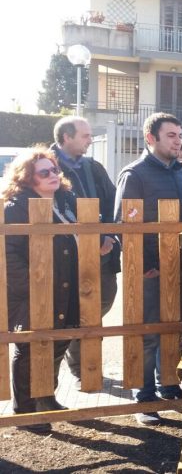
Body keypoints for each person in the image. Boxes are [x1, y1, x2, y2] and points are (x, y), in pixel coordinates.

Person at [115, 112, 182, 426]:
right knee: (147, 334)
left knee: (173, 329)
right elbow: (125, 223)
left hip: (181, 267)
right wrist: (147, 265)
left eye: (179, 135)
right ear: (150, 138)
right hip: (150, 272)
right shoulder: (136, 174)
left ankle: (168, 386)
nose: (178, 141)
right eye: (171, 135)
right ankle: (144, 398)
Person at [2, 148, 80, 433]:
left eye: (54, 170)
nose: (52, 176)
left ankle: (46, 398)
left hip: (66, 286)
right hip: (33, 292)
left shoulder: (66, 200)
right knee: (30, 346)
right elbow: (10, 255)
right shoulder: (16, 207)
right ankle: (24, 410)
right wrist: (33, 288)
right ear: (27, 178)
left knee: (58, 342)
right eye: (44, 172)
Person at [51, 116, 120, 389]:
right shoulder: (46, 166)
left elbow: (113, 202)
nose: (90, 140)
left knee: (102, 301)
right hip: (64, 257)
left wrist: (109, 236)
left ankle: (79, 356)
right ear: (66, 137)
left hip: (101, 254)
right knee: (67, 311)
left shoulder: (94, 167)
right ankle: (81, 368)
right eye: (85, 135)